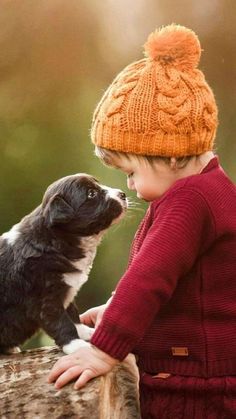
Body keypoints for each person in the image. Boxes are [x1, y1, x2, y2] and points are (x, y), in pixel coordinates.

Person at [48, 24, 236, 418]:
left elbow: (151, 277)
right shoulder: (208, 189)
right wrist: (118, 307)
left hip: (194, 392)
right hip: (200, 376)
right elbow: (174, 281)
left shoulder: (190, 202)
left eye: (131, 171)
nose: (129, 185)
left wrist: (103, 350)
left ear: (168, 154)